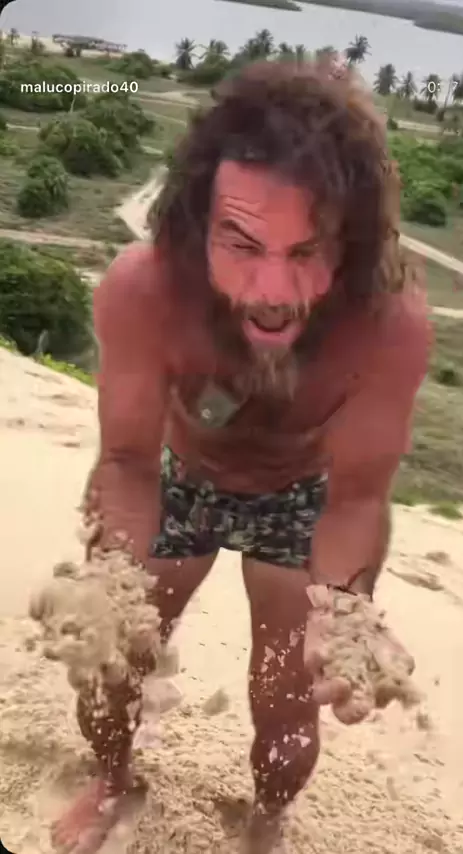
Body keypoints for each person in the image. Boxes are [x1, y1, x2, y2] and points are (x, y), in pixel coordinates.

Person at [51, 57, 430, 854]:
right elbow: (126, 460)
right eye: (242, 243)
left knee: (286, 708)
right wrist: (112, 584)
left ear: (352, 242)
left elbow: (358, 498)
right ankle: (112, 779)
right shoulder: (145, 289)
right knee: (110, 659)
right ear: (198, 226)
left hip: (301, 499)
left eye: (308, 250)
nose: (273, 289)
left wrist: (345, 608)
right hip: (178, 477)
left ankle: (268, 816)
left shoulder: (387, 324)